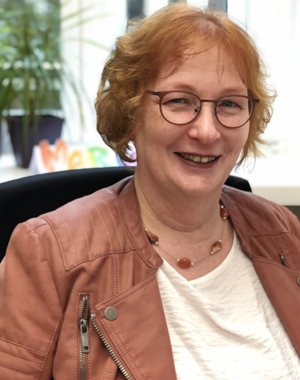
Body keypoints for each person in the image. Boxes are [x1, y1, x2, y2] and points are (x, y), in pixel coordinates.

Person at [1, 3, 300, 380]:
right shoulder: (48, 252)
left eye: (228, 104)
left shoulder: (284, 232)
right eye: (178, 101)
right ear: (131, 111)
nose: (207, 131)